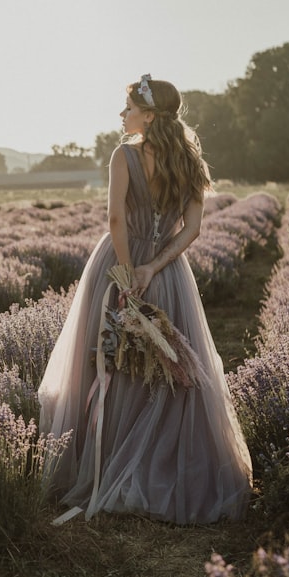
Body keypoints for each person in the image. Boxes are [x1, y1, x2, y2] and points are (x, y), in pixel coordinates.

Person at [38, 75, 252, 525]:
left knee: (113, 359)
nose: (122, 115)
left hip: (118, 265)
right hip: (167, 272)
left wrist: (125, 271)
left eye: (128, 108)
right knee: (166, 368)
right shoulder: (190, 163)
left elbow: (116, 217)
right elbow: (192, 230)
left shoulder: (124, 155)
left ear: (148, 116)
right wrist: (155, 267)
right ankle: (168, 470)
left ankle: (109, 465)